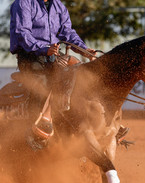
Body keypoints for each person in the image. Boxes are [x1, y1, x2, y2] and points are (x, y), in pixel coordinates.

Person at [10, 0, 129, 150]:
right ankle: (36, 130)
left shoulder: (58, 6)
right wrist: (43, 49)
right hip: (30, 56)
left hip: (52, 55)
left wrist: (84, 50)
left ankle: (104, 123)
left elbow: (68, 33)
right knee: (43, 84)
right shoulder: (23, 4)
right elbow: (22, 34)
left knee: (83, 75)